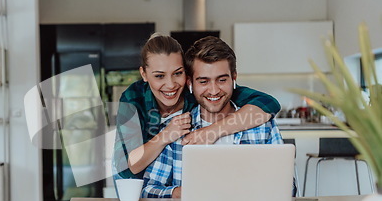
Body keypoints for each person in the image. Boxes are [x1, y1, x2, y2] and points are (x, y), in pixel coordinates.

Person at [113, 33, 281, 181]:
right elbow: (127, 169)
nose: (170, 85)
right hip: (134, 184)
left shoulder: (201, 92)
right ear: (144, 74)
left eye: (178, 73)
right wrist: (166, 136)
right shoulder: (132, 99)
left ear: (187, 76)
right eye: (159, 76)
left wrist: (212, 131)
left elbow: (268, 104)